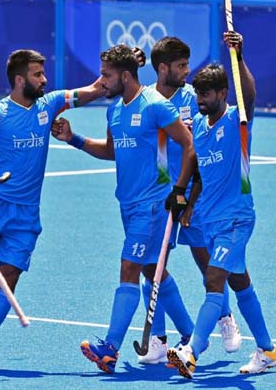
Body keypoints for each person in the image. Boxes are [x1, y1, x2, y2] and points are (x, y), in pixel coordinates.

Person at [0, 49, 108, 370]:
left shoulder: (50, 103)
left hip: (26, 215)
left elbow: (96, 90)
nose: (45, 79)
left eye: (43, 73)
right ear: (19, 79)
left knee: (8, 279)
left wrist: (121, 66)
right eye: (37, 74)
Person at [51, 44, 196, 374]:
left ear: (126, 76)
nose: (101, 82)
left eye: (106, 75)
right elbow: (111, 152)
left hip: (154, 204)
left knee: (130, 267)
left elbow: (188, 144)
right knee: (149, 270)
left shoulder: (156, 105)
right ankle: (190, 335)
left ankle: (110, 348)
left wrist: (179, 191)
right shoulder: (114, 111)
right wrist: (73, 138)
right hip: (128, 205)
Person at [167, 32, 276, 379]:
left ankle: (192, 351)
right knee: (239, 284)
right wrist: (186, 201)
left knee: (214, 278)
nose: (200, 99)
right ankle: (268, 350)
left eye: (207, 94)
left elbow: (250, 94)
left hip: (236, 219)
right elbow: (201, 172)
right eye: (198, 93)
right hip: (210, 220)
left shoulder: (238, 122)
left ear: (222, 94)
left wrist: (240, 56)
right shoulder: (198, 127)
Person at [136, 37, 242, 365]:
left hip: (195, 195)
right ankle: (158, 338)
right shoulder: (147, 99)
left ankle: (225, 318)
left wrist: (189, 195)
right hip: (157, 196)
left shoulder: (192, 98)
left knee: (206, 262)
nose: (187, 71)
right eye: (181, 66)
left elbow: (200, 148)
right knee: (152, 265)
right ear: (164, 67)